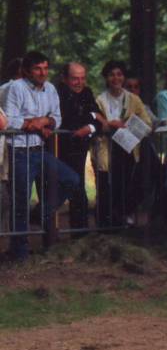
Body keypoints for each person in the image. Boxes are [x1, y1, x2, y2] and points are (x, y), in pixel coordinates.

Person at [4, 51, 83, 261]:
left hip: (39, 149)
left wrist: (45, 121)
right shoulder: (16, 87)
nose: (43, 73)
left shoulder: (51, 89)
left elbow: (57, 117)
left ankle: (38, 215)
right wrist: (34, 124)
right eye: (38, 69)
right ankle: (19, 253)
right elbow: (10, 120)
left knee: (71, 179)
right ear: (27, 70)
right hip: (19, 151)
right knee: (20, 202)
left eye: (46, 68)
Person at [94, 59, 154, 228]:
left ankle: (124, 216)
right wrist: (110, 124)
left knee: (129, 183)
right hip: (107, 148)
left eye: (119, 74)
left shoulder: (133, 99)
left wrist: (128, 126)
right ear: (106, 78)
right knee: (107, 185)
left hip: (128, 147)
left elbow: (147, 123)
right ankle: (107, 224)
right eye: (111, 75)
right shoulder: (99, 100)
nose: (116, 78)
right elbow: (97, 123)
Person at [56, 62, 103, 230]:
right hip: (58, 146)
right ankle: (45, 226)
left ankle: (80, 232)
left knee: (78, 187)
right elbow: (67, 119)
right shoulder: (57, 93)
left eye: (83, 78)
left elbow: (98, 117)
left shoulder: (87, 92)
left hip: (78, 147)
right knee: (60, 187)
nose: (80, 82)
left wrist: (89, 126)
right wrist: (89, 118)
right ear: (64, 78)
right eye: (75, 79)